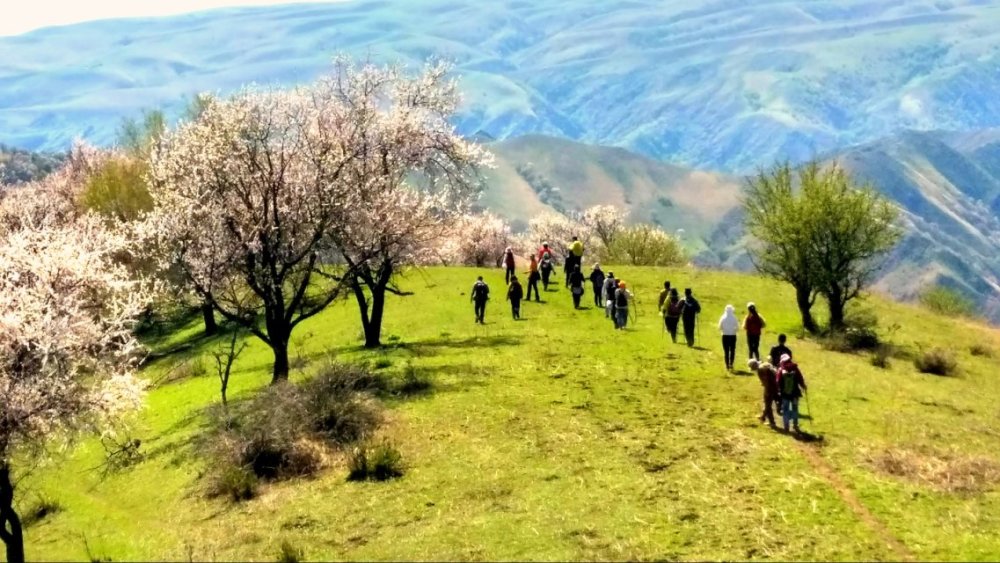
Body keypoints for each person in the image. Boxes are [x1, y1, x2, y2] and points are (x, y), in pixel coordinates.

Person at [776, 354, 807, 433]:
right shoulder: (795, 368)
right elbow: (800, 379)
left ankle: (786, 427)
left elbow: (778, 381)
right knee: (795, 409)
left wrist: (779, 390)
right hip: (795, 393)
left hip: (785, 394)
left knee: (786, 410)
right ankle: (795, 425)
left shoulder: (781, 369)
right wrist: (803, 386)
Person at [748, 359, 779, 427]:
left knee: (768, 405)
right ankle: (763, 417)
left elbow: (766, 381)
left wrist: (767, 390)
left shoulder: (760, 370)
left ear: (754, 366)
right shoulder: (764, 365)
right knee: (767, 403)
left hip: (770, 389)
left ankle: (772, 423)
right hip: (775, 387)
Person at [718, 304, 739, 371]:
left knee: (726, 351)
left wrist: (724, 330)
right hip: (733, 336)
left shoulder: (723, 317)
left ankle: (727, 365)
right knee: (732, 350)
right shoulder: (734, 317)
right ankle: (731, 363)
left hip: (725, 336)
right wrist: (733, 330)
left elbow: (720, 327)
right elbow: (737, 327)